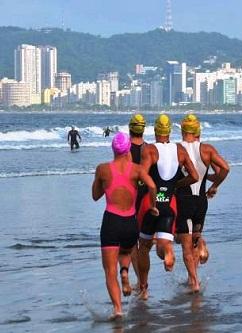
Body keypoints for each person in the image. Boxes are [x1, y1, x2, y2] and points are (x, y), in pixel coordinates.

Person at [91, 132, 158, 319]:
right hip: (130, 222)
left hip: (111, 221)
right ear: (128, 149)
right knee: (127, 252)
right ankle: (126, 272)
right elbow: (152, 186)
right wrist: (152, 205)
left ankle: (118, 309)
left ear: (113, 149)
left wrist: (101, 182)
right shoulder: (137, 170)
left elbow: (95, 196)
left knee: (109, 271)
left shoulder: (103, 169)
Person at [137, 114, 199, 300]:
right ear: (170, 131)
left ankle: (144, 289)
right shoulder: (180, 150)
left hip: (150, 204)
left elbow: (142, 175)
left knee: (144, 248)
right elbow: (194, 176)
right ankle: (169, 252)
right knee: (164, 244)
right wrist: (176, 186)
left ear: (155, 130)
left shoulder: (149, 150)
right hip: (169, 206)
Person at [176, 114, 230, 292]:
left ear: (182, 130)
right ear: (198, 131)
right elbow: (225, 168)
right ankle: (196, 267)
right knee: (193, 240)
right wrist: (214, 186)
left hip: (183, 201)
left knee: (184, 245)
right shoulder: (207, 150)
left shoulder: (176, 149)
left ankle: (194, 282)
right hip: (201, 202)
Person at [128, 113, 147, 289]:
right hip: (148, 198)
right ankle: (143, 282)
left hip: (131, 199)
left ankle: (141, 283)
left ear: (130, 129)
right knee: (145, 243)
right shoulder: (150, 149)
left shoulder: (125, 150)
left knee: (133, 245)